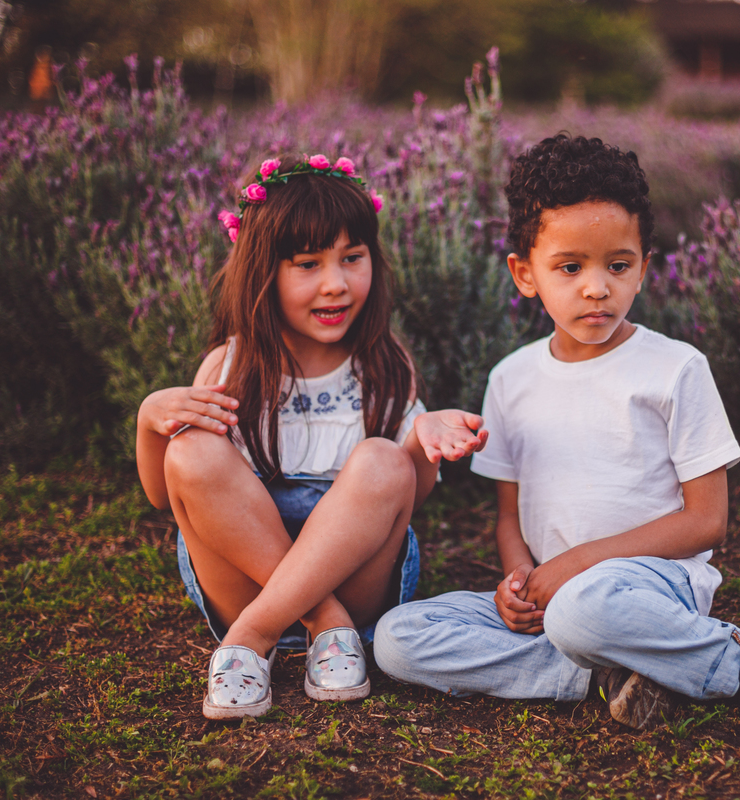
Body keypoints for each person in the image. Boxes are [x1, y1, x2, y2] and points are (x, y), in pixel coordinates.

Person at [374, 135, 740, 730]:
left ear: (644, 268)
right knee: (398, 638)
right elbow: (510, 516)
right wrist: (518, 584)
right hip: (555, 595)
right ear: (525, 274)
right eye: (570, 267)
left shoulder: (675, 368)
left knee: (584, 609)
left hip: (647, 587)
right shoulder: (511, 380)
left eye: (618, 265)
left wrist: (578, 564)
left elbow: (706, 522)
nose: (597, 287)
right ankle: (600, 675)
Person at [136, 154, 487, 719]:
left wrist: (421, 441)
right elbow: (165, 494)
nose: (337, 284)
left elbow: (405, 500)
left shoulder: (384, 365)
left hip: (356, 580)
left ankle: (251, 638)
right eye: (308, 264)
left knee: (381, 458)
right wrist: (148, 420)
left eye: (353, 258)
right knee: (193, 447)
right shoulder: (230, 367)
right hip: (243, 579)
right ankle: (323, 620)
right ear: (264, 273)